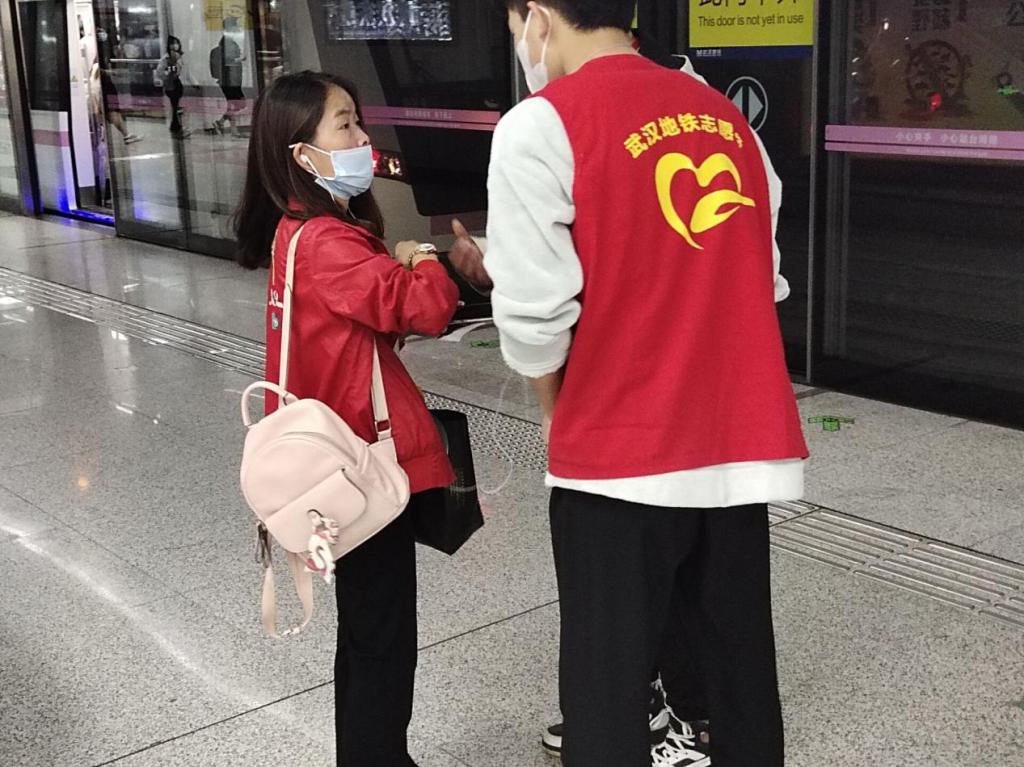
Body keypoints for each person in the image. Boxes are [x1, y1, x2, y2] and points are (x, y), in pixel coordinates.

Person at [485, 2, 809, 766]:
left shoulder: (540, 126)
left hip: (616, 458)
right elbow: (762, 277)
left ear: (538, 18)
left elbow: (534, 319)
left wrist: (557, 415)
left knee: (606, 690)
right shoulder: (723, 117)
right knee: (739, 680)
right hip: (738, 448)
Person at [234, 70, 460, 766]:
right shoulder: (329, 241)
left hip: (332, 457)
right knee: (382, 636)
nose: (363, 137)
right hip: (358, 467)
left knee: (368, 631)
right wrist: (423, 255)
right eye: (345, 125)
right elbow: (425, 307)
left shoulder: (296, 231)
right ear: (302, 154)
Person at [155, 36, 196, 139]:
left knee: (181, 108)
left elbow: (187, 72)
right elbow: (160, 72)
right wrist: (168, 74)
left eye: (176, 43)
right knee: (178, 108)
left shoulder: (182, 57)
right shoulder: (165, 59)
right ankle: (180, 127)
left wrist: (194, 83)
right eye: (172, 44)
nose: (175, 46)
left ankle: (180, 127)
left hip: (181, 85)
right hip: (171, 86)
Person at [212, 17, 247, 135]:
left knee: (235, 104)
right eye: (235, 26)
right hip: (229, 79)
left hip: (232, 79)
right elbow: (228, 60)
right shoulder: (226, 42)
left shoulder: (228, 41)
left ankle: (221, 123)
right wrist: (240, 59)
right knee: (236, 103)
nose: (237, 28)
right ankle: (232, 129)